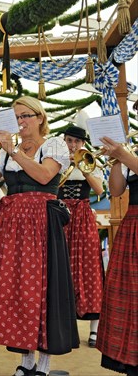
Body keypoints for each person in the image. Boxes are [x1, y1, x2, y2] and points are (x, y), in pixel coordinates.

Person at [0, 96, 78, 376]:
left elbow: (45, 176)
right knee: (18, 290)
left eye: (25, 116)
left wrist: (14, 151)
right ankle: (26, 362)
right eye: (16, 117)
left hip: (42, 223)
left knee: (43, 290)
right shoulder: (9, 152)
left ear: (40, 117)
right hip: (13, 227)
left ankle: (43, 364)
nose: (20, 122)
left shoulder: (53, 144)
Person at [96, 133, 138, 376]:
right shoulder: (132, 151)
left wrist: (123, 154)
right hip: (132, 224)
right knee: (128, 296)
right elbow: (116, 190)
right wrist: (116, 160)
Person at [59, 125, 105, 347]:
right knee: (61, 267)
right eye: (69, 141)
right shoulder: (55, 160)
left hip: (83, 216)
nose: (72, 145)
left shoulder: (90, 161)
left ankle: (94, 327)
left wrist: (84, 167)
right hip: (60, 215)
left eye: (76, 142)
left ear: (83, 144)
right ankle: (65, 325)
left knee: (89, 267)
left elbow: (99, 190)